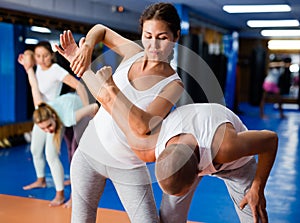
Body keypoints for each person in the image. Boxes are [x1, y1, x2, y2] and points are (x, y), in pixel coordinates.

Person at [83, 65, 277, 223]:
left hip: (235, 163)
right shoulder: (149, 147)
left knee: (255, 215)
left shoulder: (227, 147)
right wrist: (108, 87)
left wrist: (257, 188)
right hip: (189, 140)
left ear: (196, 175)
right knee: (169, 218)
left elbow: (270, 140)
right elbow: (119, 114)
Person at [56, 2, 183, 222]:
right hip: (89, 154)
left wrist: (112, 89)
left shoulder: (173, 85)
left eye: (162, 37)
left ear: (175, 37)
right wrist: (83, 54)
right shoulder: (133, 53)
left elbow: (142, 125)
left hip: (128, 165)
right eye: (147, 35)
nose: (153, 45)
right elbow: (101, 30)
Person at [18, 43, 89, 207]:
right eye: (38, 56)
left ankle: (60, 194)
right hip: (40, 113)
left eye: (45, 56)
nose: (41, 60)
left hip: (55, 116)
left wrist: (86, 108)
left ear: (52, 55)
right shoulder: (35, 67)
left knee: (51, 154)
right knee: (35, 149)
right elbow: (28, 54)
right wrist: (28, 58)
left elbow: (78, 85)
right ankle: (41, 180)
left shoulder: (55, 69)